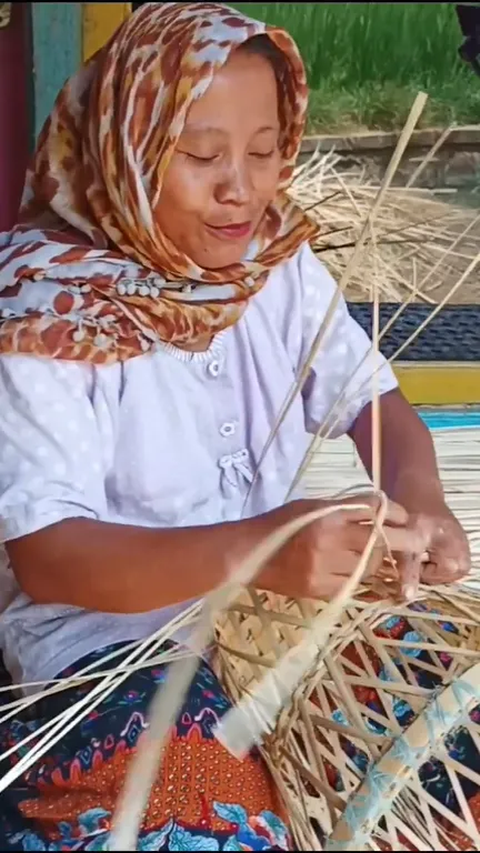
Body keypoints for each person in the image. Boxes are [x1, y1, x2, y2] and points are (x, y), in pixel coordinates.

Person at [0, 2, 470, 850]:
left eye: (263, 153)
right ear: (128, 149)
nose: (241, 188)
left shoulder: (271, 268)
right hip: (106, 647)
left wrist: (419, 496)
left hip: (270, 615)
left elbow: (378, 406)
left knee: (451, 752)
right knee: (203, 817)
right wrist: (265, 546)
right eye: (202, 155)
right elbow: (50, 556)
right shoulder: (47, 309)